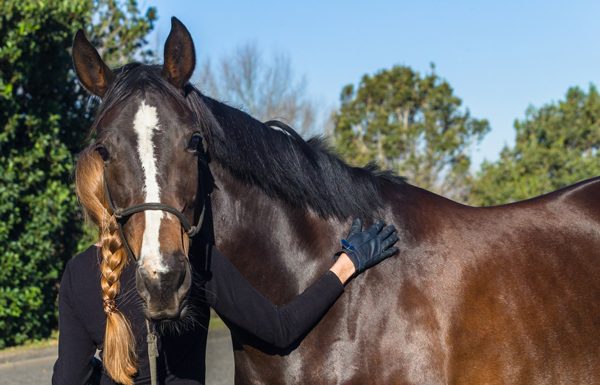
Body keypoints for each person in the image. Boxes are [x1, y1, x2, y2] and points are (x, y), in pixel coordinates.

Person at [52, 218, 399, 385]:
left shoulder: (77, 272)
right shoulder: (193, 259)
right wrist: (346, 265)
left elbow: (68, 381)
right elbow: (280, 330)